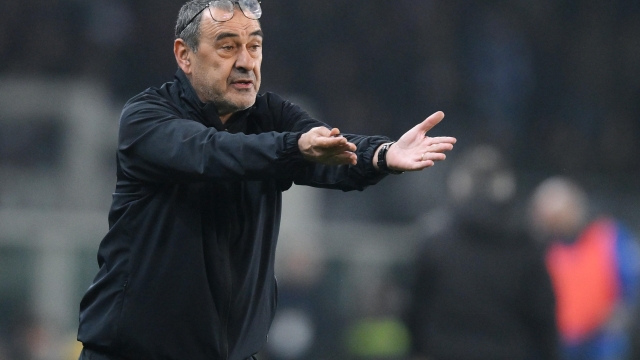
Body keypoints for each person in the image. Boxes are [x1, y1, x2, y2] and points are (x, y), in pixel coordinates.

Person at [76, 1, 457, 360]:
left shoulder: (271, 114)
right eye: (227, 47)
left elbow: (328, 150)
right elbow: (209, 153)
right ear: (184, 55)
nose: (246, 62)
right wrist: (294, 149)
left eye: (254, 46)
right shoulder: (146, 117)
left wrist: (381, 154)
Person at [403, 144, 558, 360]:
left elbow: (414, 312)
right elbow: (543, 318)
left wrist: (418, 349)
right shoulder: (526, 245)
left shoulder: (435, 241)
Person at [529, 176, 640, 360]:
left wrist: (623, 314)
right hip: (557, 343)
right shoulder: (538, 250)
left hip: (603, 343)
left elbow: (632, 280)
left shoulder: (607, 236)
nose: (555, 221)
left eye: (560, 213)